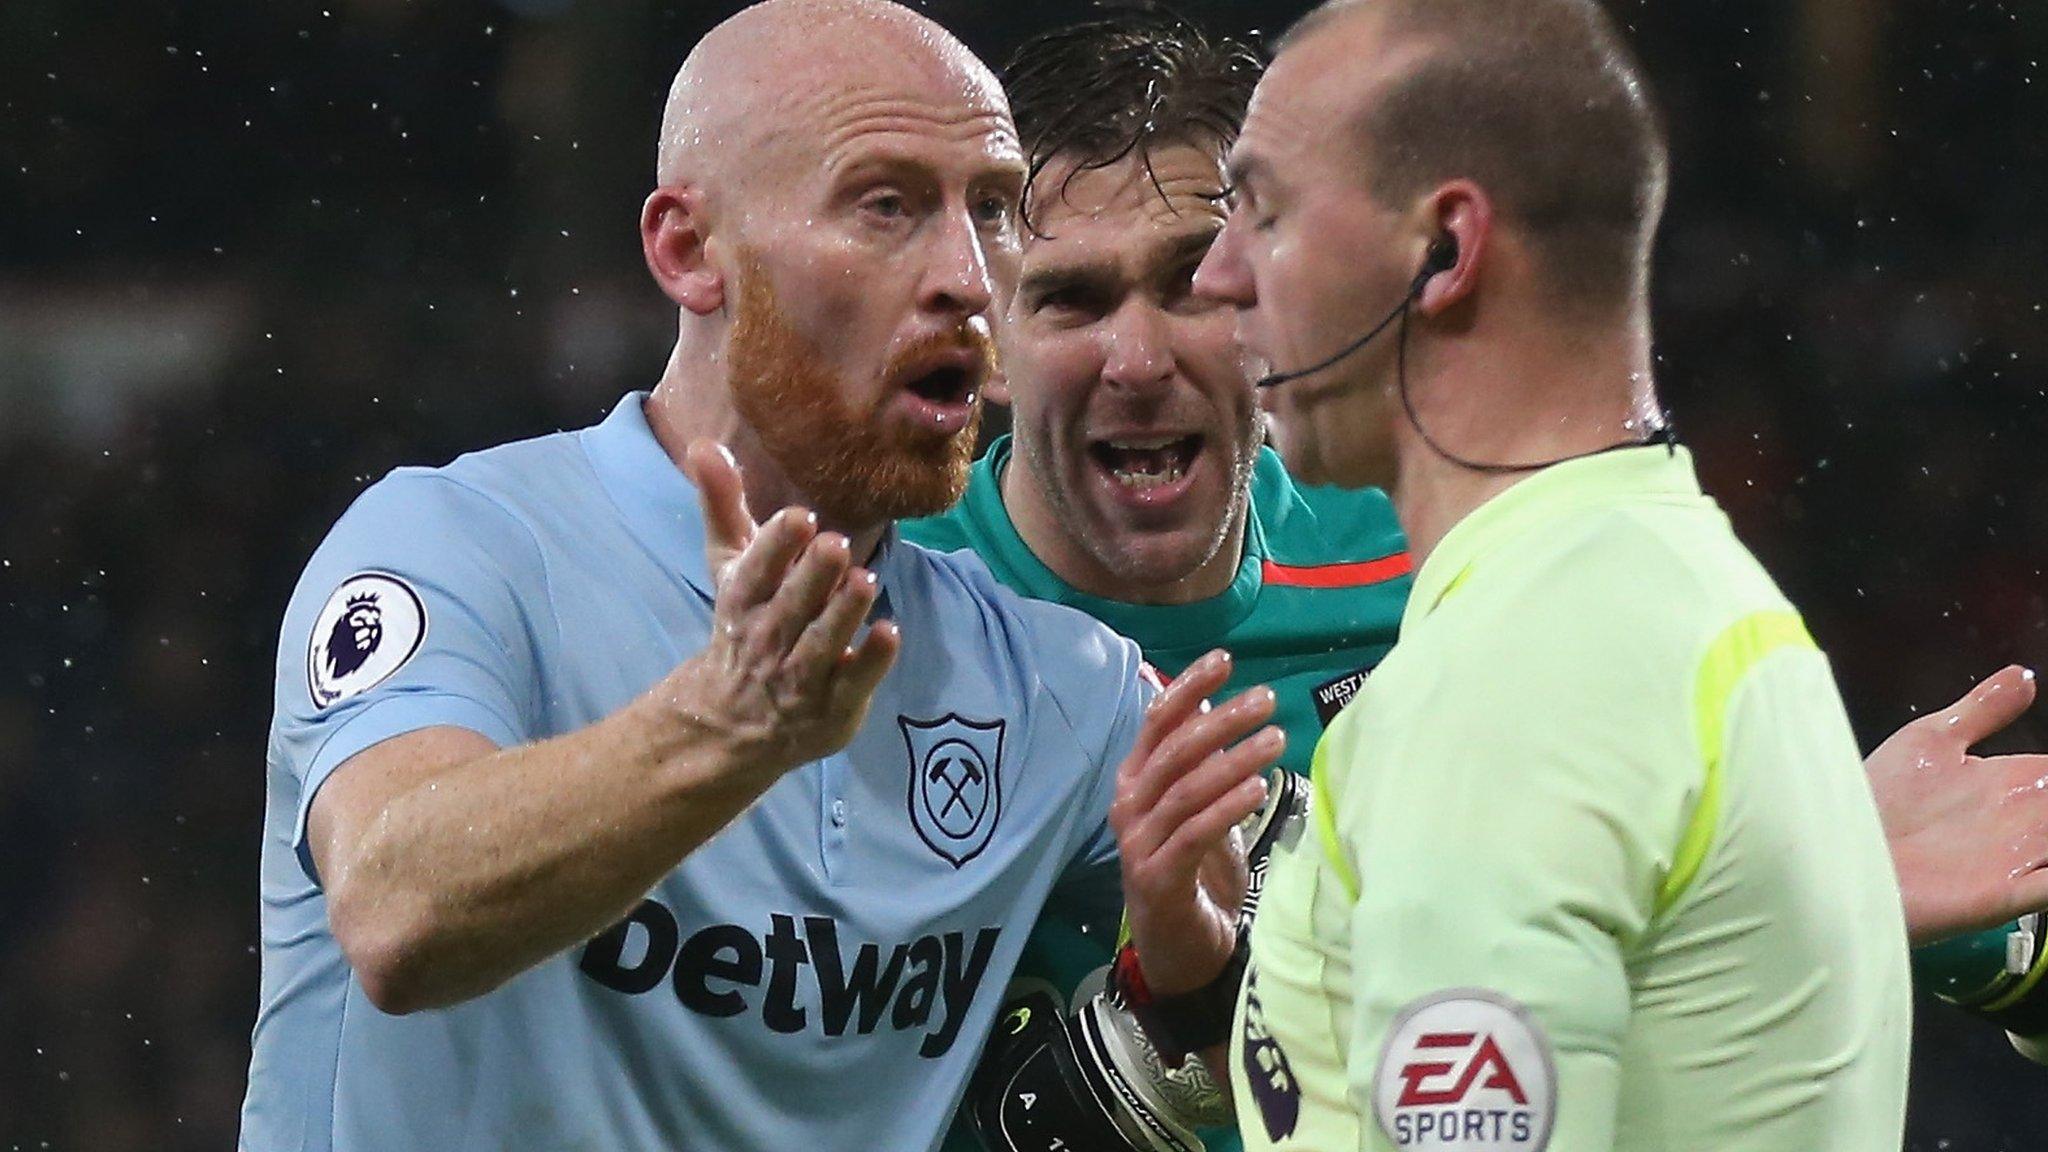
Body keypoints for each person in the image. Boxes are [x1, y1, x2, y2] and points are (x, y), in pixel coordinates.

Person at [913, 13, 2048, 1152]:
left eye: (1193, 276)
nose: (1142, 357)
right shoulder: (873, 621)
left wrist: (1801, 871)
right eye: (1070, 299)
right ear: (990, 337)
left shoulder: (1465, 561)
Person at [236, 2, 1273, 1148]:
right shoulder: (458, 548)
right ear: (688, 251)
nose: (967, 279)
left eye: (989, 209)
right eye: (885, 205)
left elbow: (1341, 974)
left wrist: (1184, 980)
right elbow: (395, 913)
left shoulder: (1056, 694)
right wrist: (730, 726)